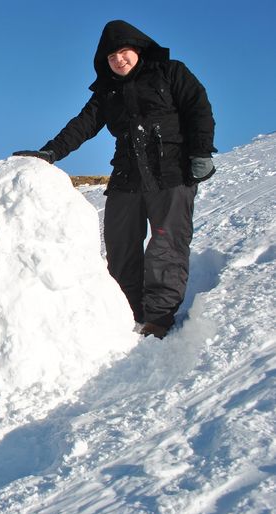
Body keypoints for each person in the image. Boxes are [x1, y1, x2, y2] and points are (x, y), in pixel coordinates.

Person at [13, 20, 216, 339]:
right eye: (111, 57)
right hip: (127, 176)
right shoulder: (107, 91)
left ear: (137, 50)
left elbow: (198, 108)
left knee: (166, 244)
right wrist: (51, 152)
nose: (119, 60)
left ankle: (159, 318)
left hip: (171, 173)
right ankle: (128, 312)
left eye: (123, 52)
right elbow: (83, 125)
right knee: (120, 246)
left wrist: (201, 152)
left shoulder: (170, 72)